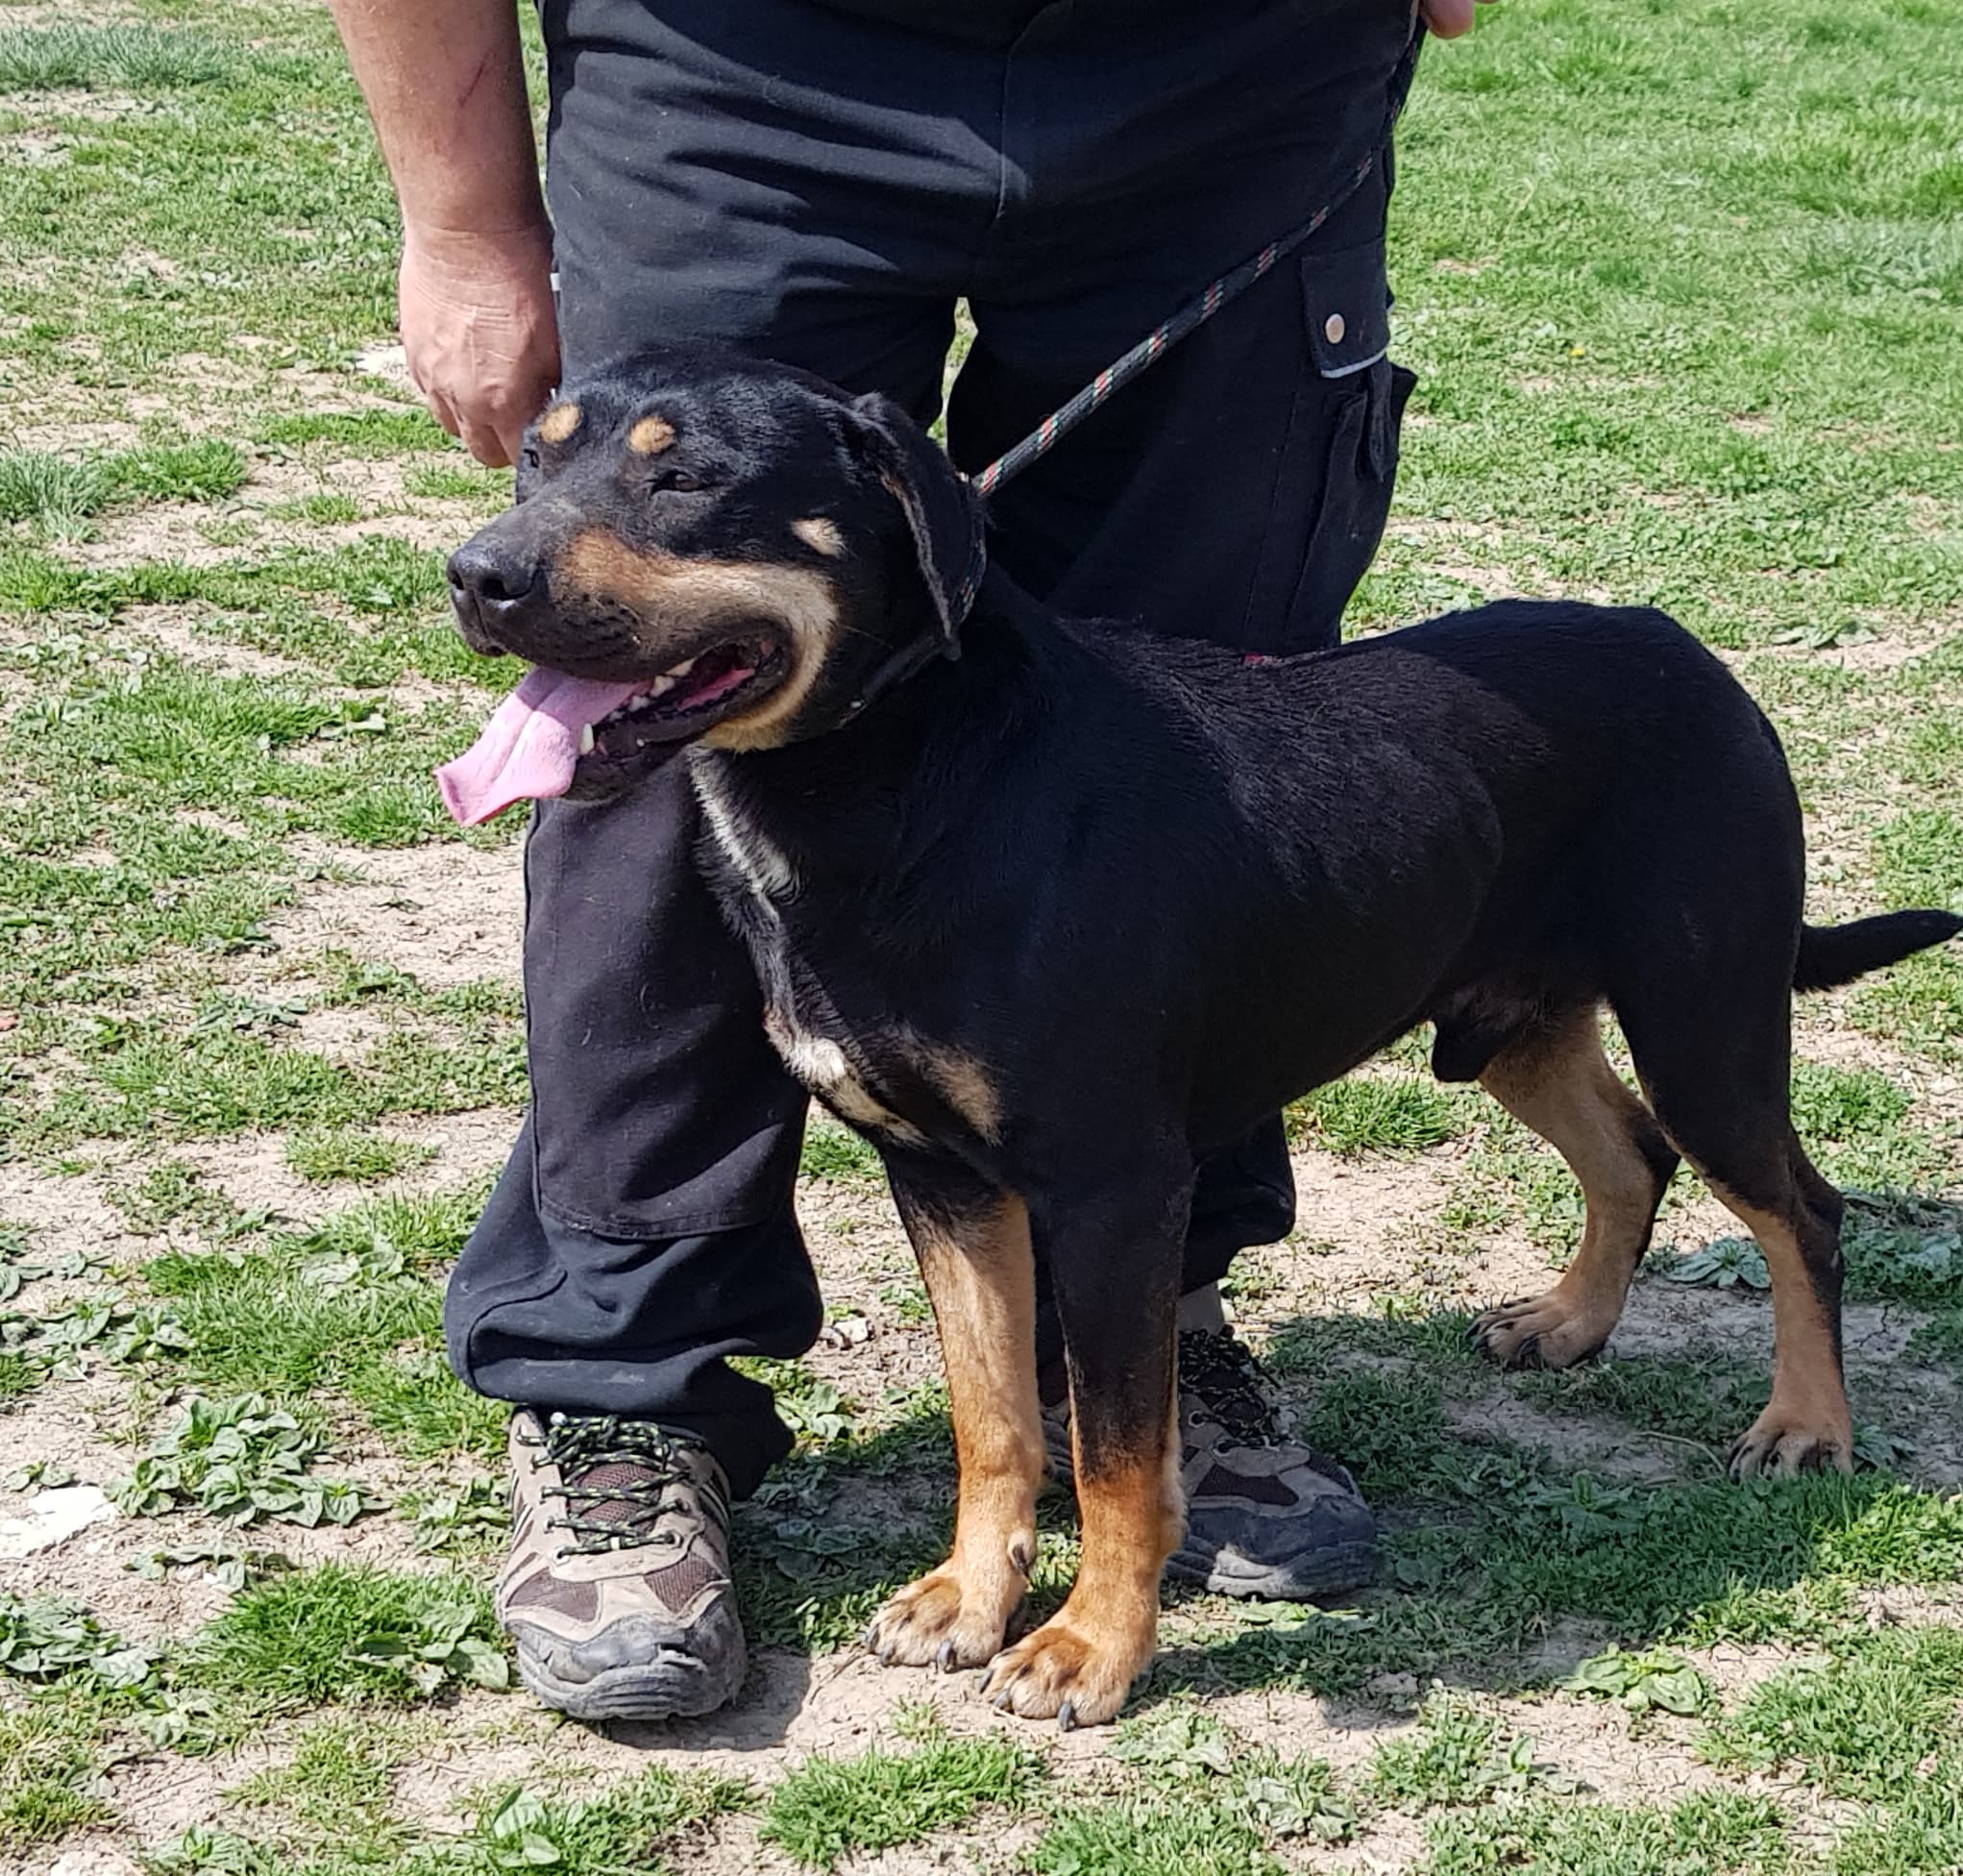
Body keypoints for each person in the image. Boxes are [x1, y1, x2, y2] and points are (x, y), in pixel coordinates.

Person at [326, 0, 1471, 1721]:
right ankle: (623, 1380)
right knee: (647, 739)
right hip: (740, 60)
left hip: (1228, 73)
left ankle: (1151, 1316)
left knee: (1188, 756)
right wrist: (465, 216)